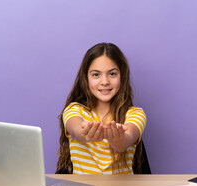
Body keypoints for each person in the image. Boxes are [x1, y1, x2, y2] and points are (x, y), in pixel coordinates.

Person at [56, 43, 146, 174]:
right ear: (86, 78)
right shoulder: (74, 110)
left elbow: (126, 140)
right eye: (96, 75)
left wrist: (119, 139)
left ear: (122, 76)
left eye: (112, 74)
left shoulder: (135, 114)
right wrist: (85, 132)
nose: (104, 81)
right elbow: (76, 130)